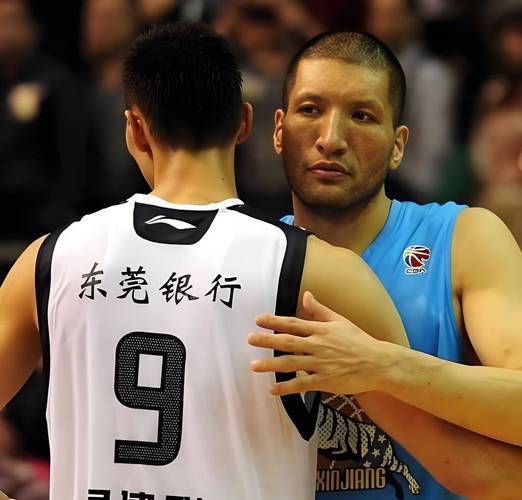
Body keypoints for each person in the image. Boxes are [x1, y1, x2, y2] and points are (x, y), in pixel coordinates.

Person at [0, 22, 418, 500]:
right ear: (244, 122)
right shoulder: (316, 269)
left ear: (134, 129)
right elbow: (452, 460)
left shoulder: (49, 259)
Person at [247, 30, 522, 499]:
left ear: (398, 145)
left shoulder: (463, 237)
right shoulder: (248, 258)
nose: (331, 139)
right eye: (310, 110)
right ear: (278, 130)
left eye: (362, 116)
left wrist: (383, 366)